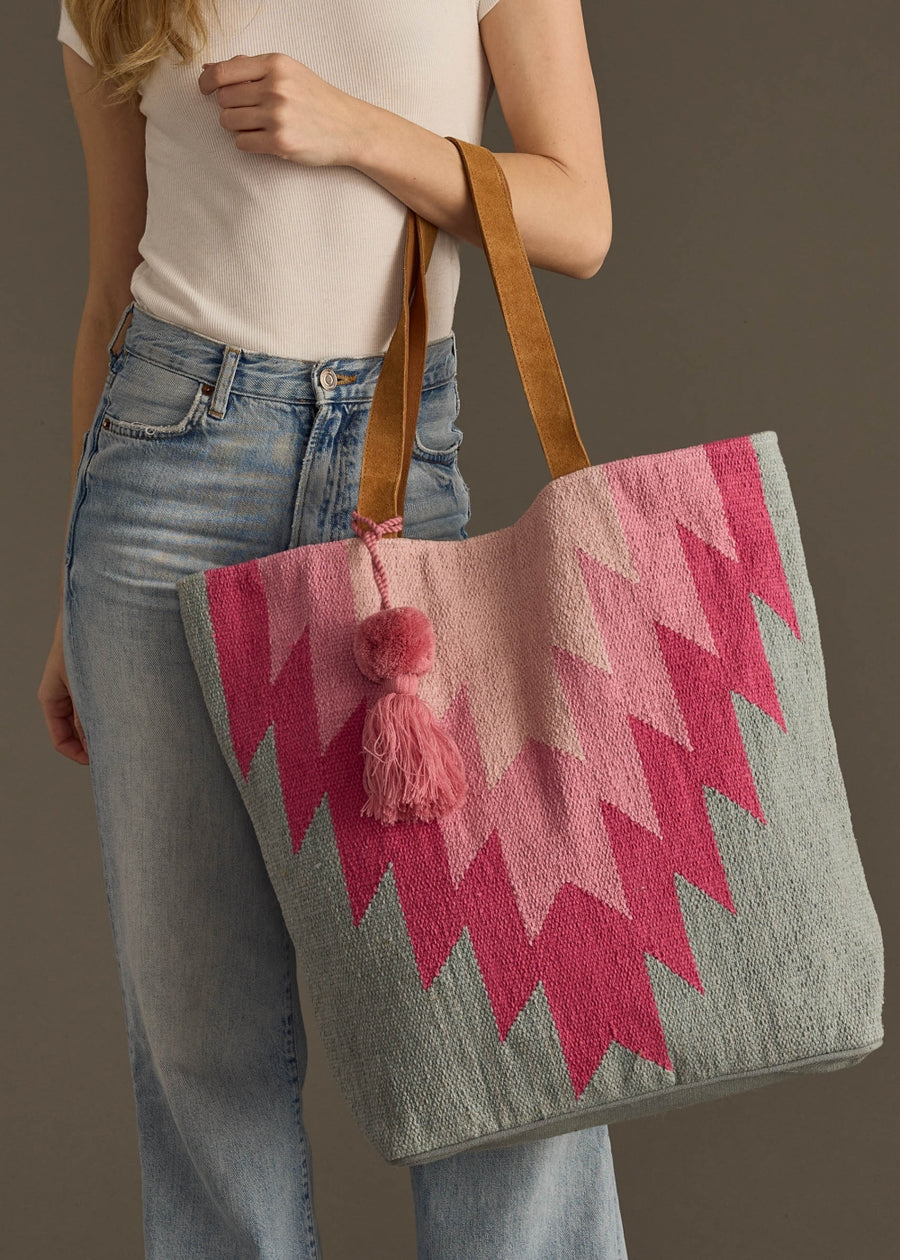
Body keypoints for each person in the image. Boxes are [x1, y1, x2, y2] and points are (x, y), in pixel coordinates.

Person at [41, 2, 625, 1256]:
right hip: (159, 483)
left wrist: (361, 131)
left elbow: (579, 215)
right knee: (202, 1041)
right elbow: (107, 291)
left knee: (497, 1013)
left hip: (396, 468)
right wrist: (64, 604)